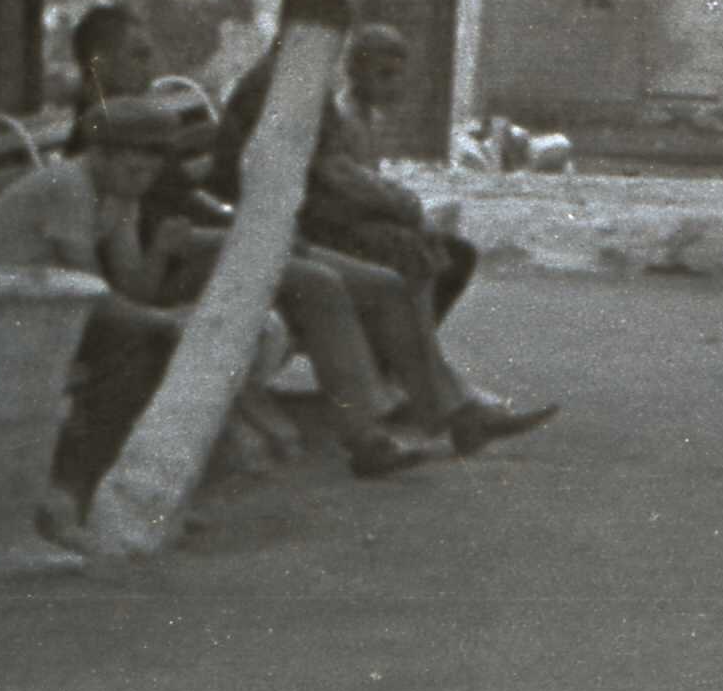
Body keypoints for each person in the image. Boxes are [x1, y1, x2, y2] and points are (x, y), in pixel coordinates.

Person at [0, 92, 437, 511]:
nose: (142, 179)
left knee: (142, 343)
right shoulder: (68, 188)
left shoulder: (120, 195)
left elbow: (133, 288)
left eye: (150, 169)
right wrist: (165, 321)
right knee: (132, 349)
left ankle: (121, 490)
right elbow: (94, 296)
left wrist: (160, 253)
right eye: (132, 166)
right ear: (99, 154)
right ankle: (90, 489)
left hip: (39, 307)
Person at [212, 28, 547, 453]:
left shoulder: (310, 91)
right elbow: (334, 178)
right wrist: (404, 206)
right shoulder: (294, 92)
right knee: (407, 259)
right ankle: (446, 405)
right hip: (294, 231)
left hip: (305, 225)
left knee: (420, 256)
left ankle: (447, 403)